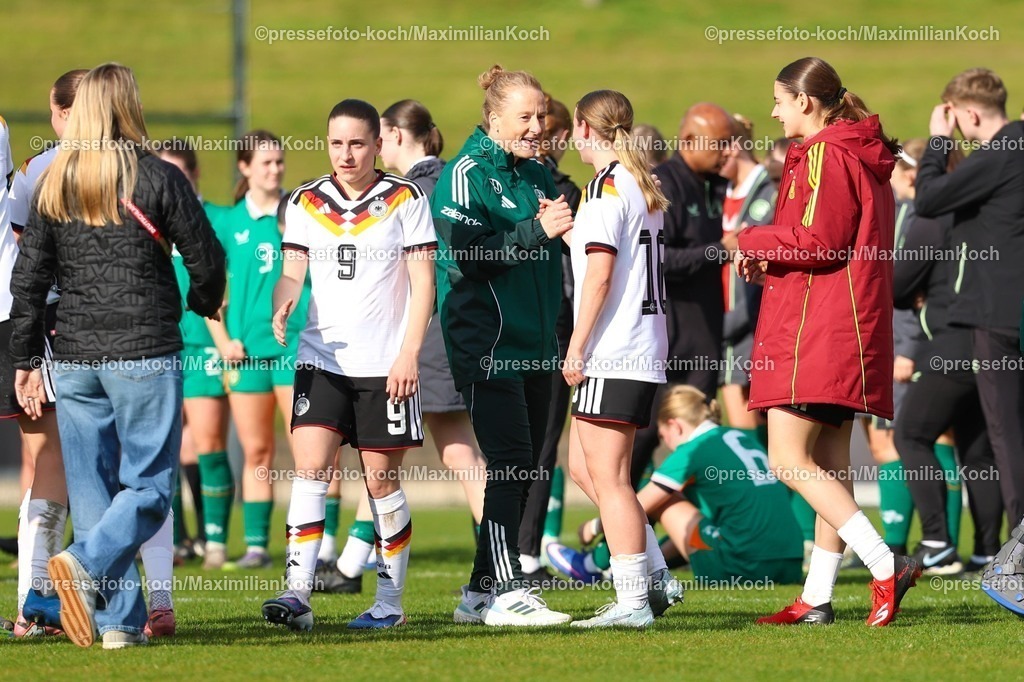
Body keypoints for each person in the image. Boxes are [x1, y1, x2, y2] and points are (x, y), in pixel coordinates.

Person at [10, 62, 225, 649]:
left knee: (94, 493)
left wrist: (26, 357)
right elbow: (206, 259)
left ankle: (118, 625)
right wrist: (203, 303)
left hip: (74, 356)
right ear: (129, 106)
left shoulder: (57, 181)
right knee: (151, 488)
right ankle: (84, 564)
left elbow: (29, 281)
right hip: (144, 351)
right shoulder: (157, 176)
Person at [735, 56, 919, 626]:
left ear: (805, 101)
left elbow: (821, 239)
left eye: (779, 101)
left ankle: (885, 561)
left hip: (817, 328)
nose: (773, 112)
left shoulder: (827, 152)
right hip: (842, 320)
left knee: (788, 459)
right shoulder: (853, 150)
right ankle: (817, 597)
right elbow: (827, 245)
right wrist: (772, 260)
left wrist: (750, 238)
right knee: (831, 466)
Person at [260, 99, 435, 631]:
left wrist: (409, 354)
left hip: (386, 366)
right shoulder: (305, 201)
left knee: (381, 484)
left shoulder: (405, 198)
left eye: (357, 143)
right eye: (336, 143)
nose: (346, 154)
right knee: (310, 470)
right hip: (322, 359)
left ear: (378, 145)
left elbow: (424, 282)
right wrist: (282, 303)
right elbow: (292, 271)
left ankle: (389, 604)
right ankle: (297, 594)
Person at [432, 65, 573, 626]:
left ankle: (477, 594)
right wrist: (538, 230)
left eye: (542, 115)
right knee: (510, 463)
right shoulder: (463, 174)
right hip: (486, 342)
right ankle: (510, 590)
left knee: (525, 467)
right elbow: (470, 255)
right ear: (493, 119)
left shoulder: (537, 174)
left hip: (537, 343)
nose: (538, 126)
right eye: (525, 117)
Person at [551, 88, 680, 628]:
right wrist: (570, 233)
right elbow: (609, 258)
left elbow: (601, 277)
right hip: (638, 344)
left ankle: (633, 601)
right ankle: (657, 575)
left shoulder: (606, 186)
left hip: (616, 348)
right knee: (585, 467)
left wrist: (577, 345)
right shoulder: (631, 180)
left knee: (611, 479)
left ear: (584, 127)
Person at [914, 68, 1024, 543]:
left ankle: (1019, 552)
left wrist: (938, 141)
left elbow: (927, 198)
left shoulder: (1000, 153)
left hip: (997, 316)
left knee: (1007, 435)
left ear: (970, 114)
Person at [891, 142, 1002, 576]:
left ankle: (936, 540)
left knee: (911, 434)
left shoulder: (930, 219)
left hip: (950, 345)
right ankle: (989, 551)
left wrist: (918, 293)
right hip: (990, 345)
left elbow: (898, 287)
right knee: (978, 451)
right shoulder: (985, 215)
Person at [4, 69, 86, 638]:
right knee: (51, 455)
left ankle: (31, 607)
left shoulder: (34, 167)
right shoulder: (43, 167)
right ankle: (35, 599)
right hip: (36, 319)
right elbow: (24, 248)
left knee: (46, 455)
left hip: (32, 316)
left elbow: (21, 241)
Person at [210, 130, 304, 569]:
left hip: (293, 347)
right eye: (266, 162)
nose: (276, 169)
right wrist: (223, 340)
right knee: (257, 453)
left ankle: (319, 548)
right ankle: (256, 547)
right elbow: (209, 290)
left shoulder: (299, 212)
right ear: (245, 167)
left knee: (309, 451)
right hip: (246, 355)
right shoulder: (229, 223)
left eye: (279, 161)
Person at [629, 103, 732, 491]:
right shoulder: (666, 184)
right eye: (720, 143)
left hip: (705, 338)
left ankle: (693, 530)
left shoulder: (714, 184)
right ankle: (615, 525)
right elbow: (656, 259)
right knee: (645, 438)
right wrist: (719, 251)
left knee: (701, 440)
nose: (727, 151)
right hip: (667, 339)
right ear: (688, 140)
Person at [517, 93, 583, 585]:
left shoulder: (547, 188)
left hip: (529, 324)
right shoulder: (561, 191)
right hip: (546, 325)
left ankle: (517, 552)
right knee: (537, 444)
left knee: (529, 443)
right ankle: (522, 555)